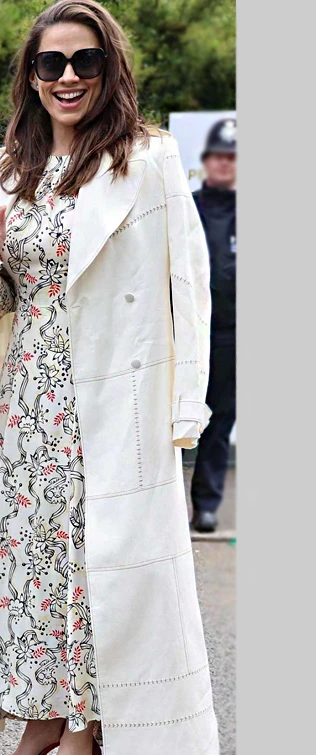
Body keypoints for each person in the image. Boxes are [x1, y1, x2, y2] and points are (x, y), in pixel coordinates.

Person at [0, 1, 221, 755]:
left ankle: (84, 742)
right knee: (25, 568)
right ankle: (38, 722)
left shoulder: (147, 158)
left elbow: (188, 288)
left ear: (109, 69)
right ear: (29, 73)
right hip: (27, 404)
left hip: (110, 402)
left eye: (84, 62)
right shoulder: (7, 167)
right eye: (50, 63)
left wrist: (184, 410)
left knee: (93, 574)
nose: (66, 78)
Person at [190, 118, 236, 533]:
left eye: (233, 158)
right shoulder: (188, 206)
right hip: (187, 330)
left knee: (220, 420)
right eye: (219, 156)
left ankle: (206, 504)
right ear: (206, 161)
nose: (225, 164)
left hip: (232, 335)